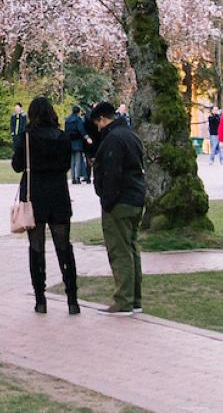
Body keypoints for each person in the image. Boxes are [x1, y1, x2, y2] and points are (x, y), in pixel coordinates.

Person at [11, 95, 78, 314]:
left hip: (34, 196)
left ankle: (40, 298)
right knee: (63, 246)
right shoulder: (62, 137)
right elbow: (67, 164)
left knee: (36, 247)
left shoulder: (26, 137)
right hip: (58, 193)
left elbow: (17, 165)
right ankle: (72, 299)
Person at [91, 100, 146, 316]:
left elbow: (112, 173)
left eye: (98, 123)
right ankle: (135, 299)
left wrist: (107, 200)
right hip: (134, 198)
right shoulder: (131, 135)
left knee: (120, 251)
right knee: (132, 249)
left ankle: (123, 301)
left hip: (119, 201)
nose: (98, 128)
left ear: (103, 119)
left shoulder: (113, 139)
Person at [64, 105, 90, 185]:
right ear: (78, 112)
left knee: (72, 161)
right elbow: (81, 130)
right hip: (78, 141)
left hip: (69, 141)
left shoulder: (67, 120)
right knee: (78, 160)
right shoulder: (78, 120)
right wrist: (87, 137)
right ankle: (77, 177)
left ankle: (72, 178)